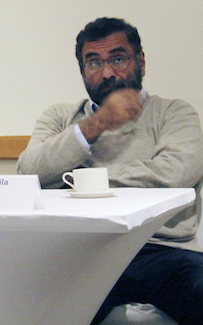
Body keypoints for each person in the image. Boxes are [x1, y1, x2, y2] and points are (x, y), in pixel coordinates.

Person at [16, 17, 203, 325]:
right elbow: (28, 173)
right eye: (93, 63)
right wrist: (96, 124)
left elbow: (173, 175)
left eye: (118, 59)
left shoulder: (174, 113)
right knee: (25, 294)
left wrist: (74, 182)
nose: (107, 73)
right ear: (82, 71)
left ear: (140, 61)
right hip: (82, 250)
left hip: (161, 250)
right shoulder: (61, 117)